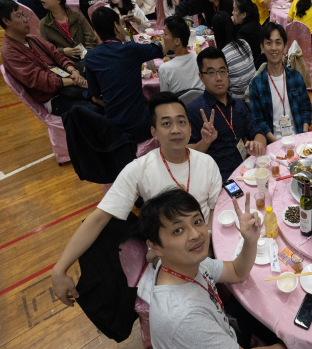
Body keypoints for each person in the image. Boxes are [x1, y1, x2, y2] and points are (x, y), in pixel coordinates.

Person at [140, 188, 298, 349]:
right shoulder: (182, 317)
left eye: (197, 221)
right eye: (178, 230)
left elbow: (236, 271)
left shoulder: (180, 264)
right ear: (155, 246)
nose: (195, 234)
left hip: (221, 343)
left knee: (254, 306)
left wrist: (250, 240)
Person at [51, 92, 223, 307]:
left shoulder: (207, 163)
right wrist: (59, 269)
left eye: (181, 122)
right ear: (154, 132)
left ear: (189, 128)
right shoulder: (139, 169)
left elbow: (216, 209)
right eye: (166, 123)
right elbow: (99, 217)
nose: (176, 130)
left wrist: (206, 239)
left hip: (204, 243)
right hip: (168, 253)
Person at [0, 0, 96, 116]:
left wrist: (74, 72)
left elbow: (58, 56)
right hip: (53, 97)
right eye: (20, 16)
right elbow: (40, 80)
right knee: (92, 109)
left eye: (24, 15)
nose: (26, 20)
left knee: (102, 89)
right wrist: (75, 81)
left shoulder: (33, 40)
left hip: (67, 81)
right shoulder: (10, 52)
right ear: (6, 21)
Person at [186, 47, 267, 181]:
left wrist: (258, 144)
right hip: (217, 179)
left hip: (245, 170)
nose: (219, 78)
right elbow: (186, 154)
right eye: (211, 72)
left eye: (222, 71)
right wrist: (204, 142)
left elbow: (258, 132)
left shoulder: (239, 105)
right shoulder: (194, 110)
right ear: (201, 77)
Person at [85, 6, 164, 142]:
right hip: (141, 126)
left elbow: (95, 98)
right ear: (116, 26)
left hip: (114, 130)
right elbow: (161, 47)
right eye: (121, 24)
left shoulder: (91, 57)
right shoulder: (131, 49)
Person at [249, 22, 312, 143]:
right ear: (262, 47)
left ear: (285, 47)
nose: (274, 48)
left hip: (299, 139)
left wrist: (303, 135)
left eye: (278, 43)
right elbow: (258, 120)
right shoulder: (256, 85)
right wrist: (277, 143)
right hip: (273, 143)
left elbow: (306, 108)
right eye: (269, 43)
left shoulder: (296, 77)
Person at [38, 0, 98, 70]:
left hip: (88, 57)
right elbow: (47, 49)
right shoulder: (44, 24)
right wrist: (63, 51)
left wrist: (87, 58)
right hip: (65, 63)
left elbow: (91, 39)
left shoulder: (78, 17)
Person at [211, 11, 255, 100]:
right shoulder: (244, 43)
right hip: (254, 92)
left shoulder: (223, 55)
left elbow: (223, 85)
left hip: (238, 100)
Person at [159, 16, 205, 94]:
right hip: (201, 101)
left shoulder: (164, 69)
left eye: (165, 34)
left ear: (177, 41)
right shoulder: (200, 60)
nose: (162, 37)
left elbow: (165, 99)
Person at [232, 0, 262, 67]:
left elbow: (237, 57)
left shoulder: (244, 33)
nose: (232, 13)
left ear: (243, 14)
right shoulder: (255, 22)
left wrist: (231, 27)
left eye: (235, 10)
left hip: (252, 67)